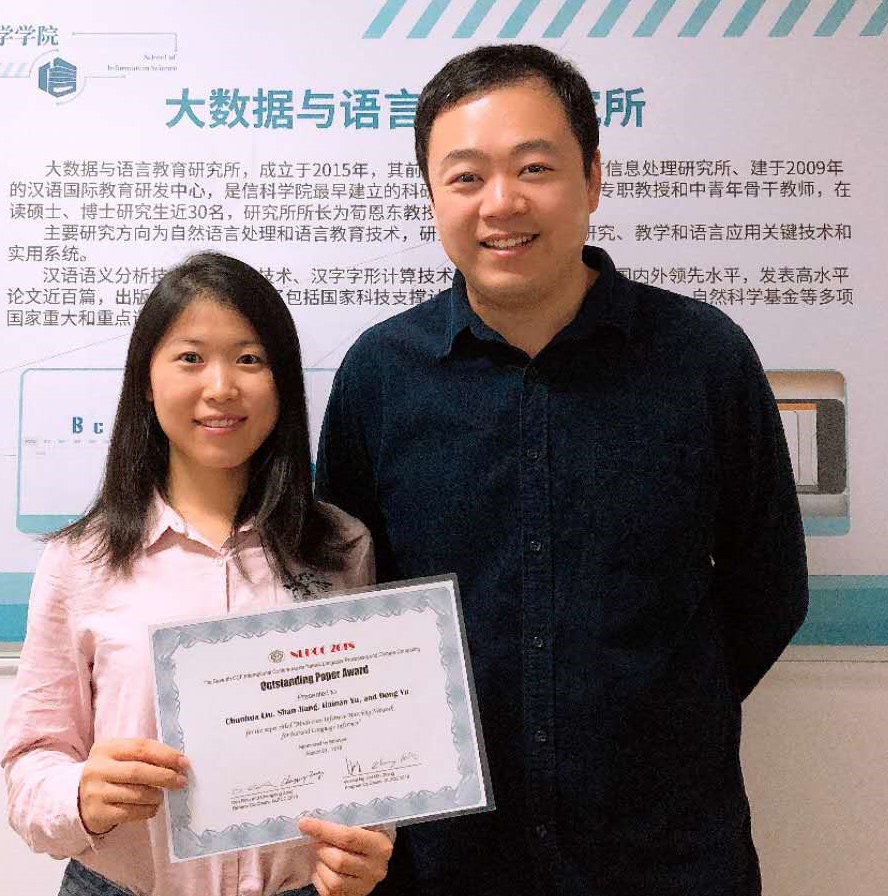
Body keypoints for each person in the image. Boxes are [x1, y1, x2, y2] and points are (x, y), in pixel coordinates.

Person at [315, 44, 808, 896]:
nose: (500, 202)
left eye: (534, 167)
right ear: (432, 196)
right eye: (466, 177)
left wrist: (660, 710)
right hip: (446, 862)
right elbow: (340, 601)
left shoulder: (703, 358)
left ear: (593, 177)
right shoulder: (381, 375)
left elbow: (769, 586)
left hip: (668, 857)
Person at [3, 252, 393, 896]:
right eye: (190, 358)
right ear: (146, 381)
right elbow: (30, 762)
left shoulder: (341, 547)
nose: (220, 387)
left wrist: (365, 847)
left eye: (249, 359)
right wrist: (79, 794)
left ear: (282, 382)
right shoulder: (81, 559)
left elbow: (368, 745)